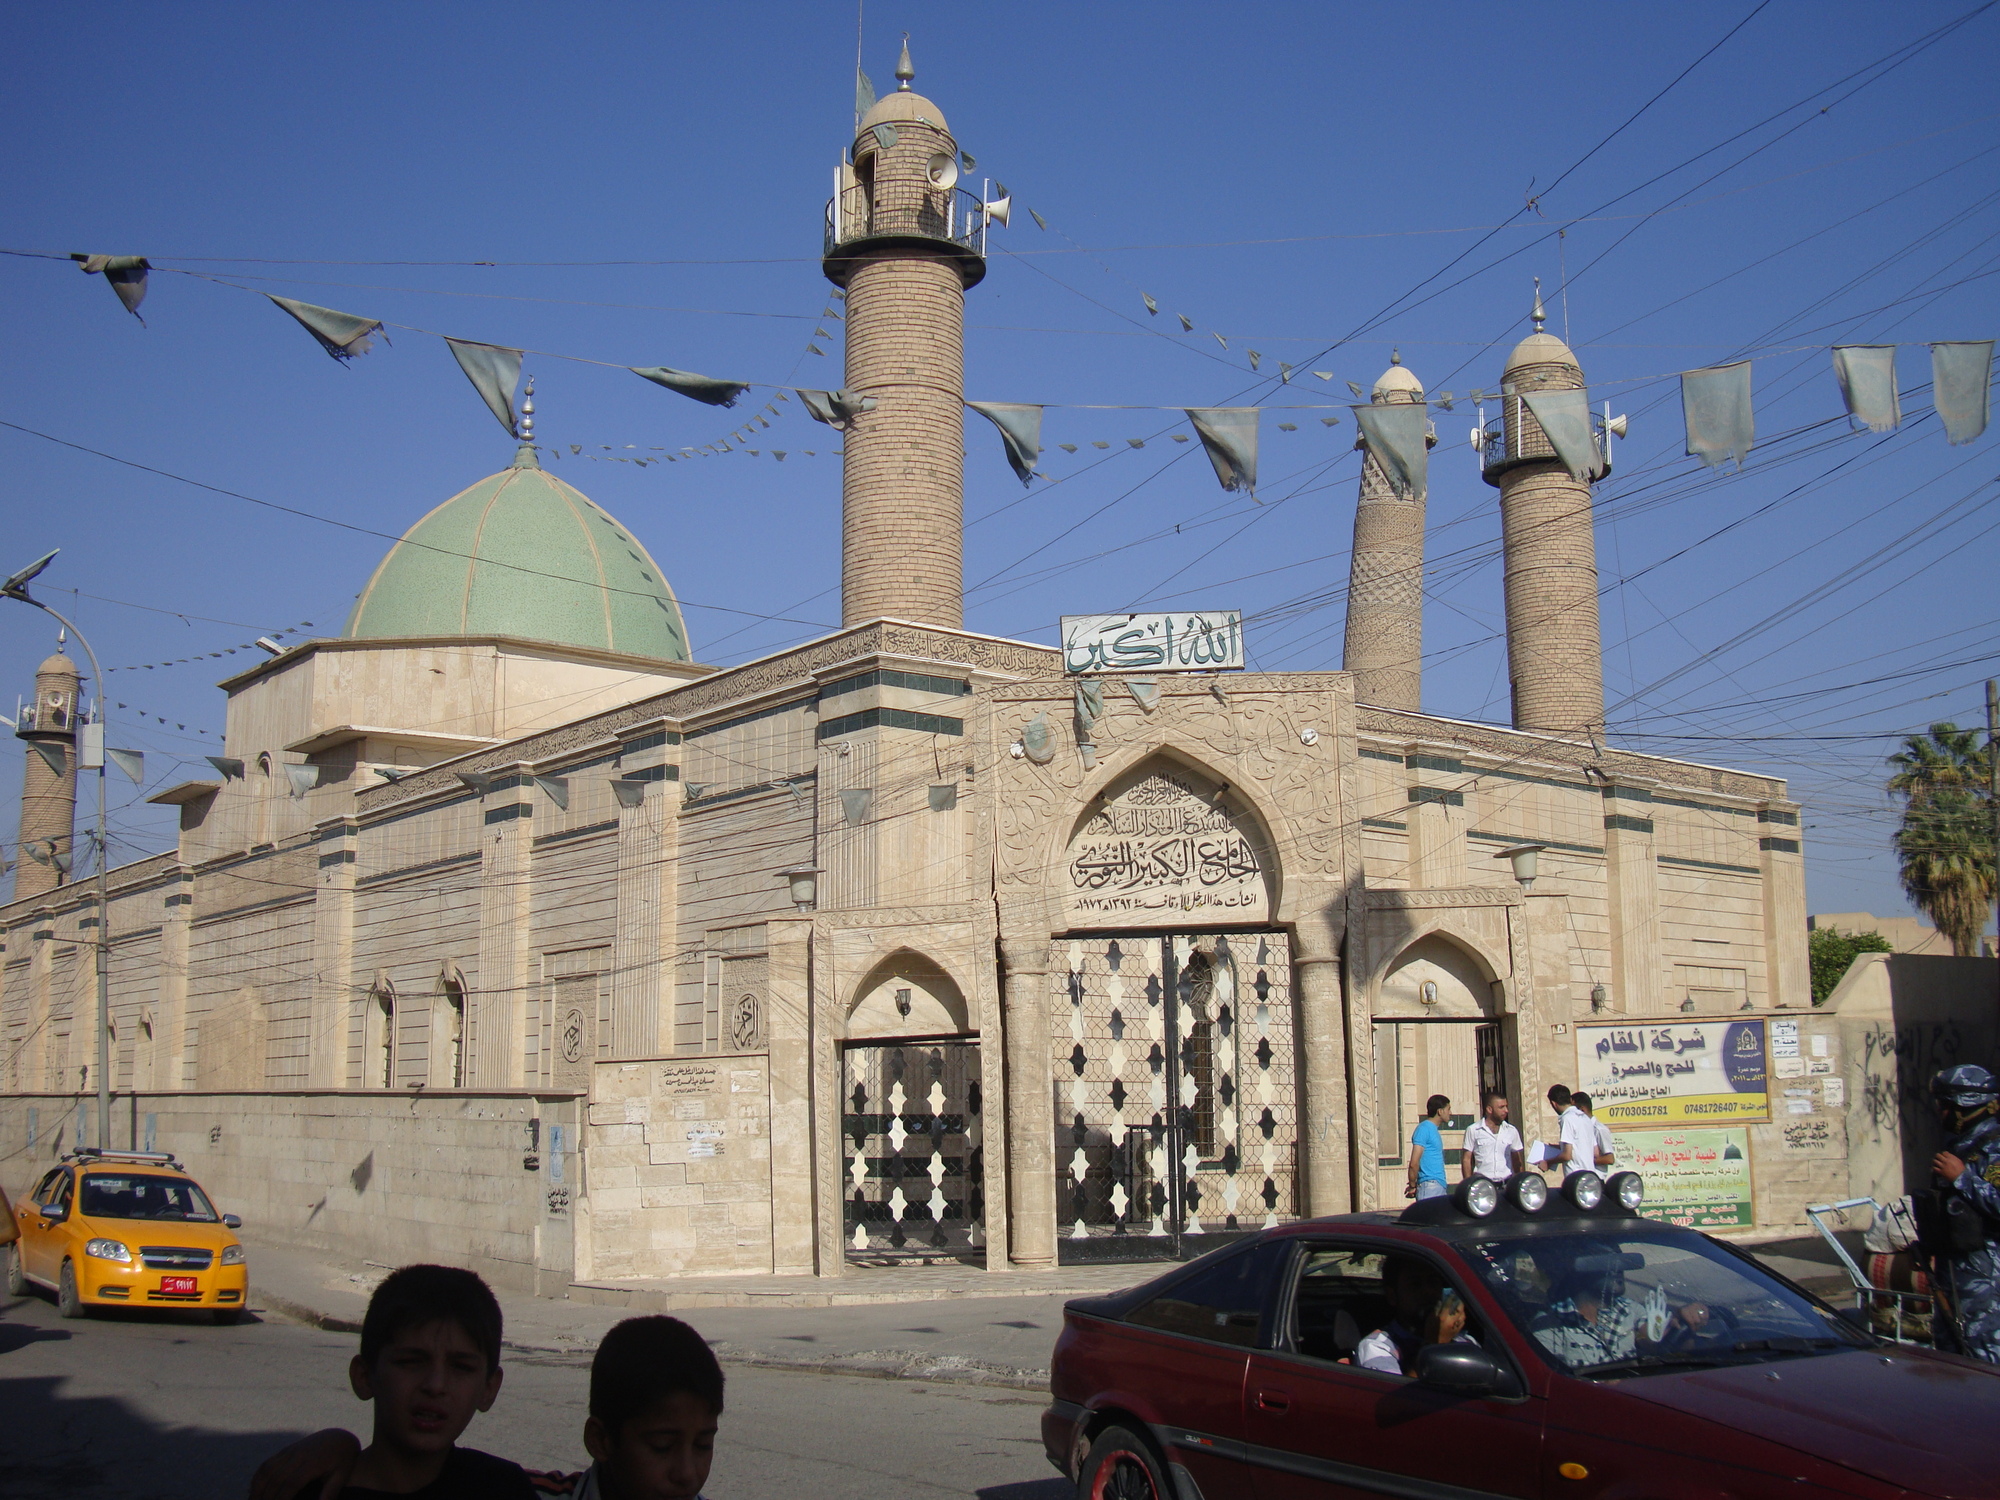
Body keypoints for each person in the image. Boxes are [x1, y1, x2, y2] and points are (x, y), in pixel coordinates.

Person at [251, 1310, 722, 1500]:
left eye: (702, 1446)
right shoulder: (516, 1495)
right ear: (600, 1440)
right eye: (662, 1446)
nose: (687, 1472)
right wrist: (341, 1446)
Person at [332, 1264, 534, 1498]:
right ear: (364, 1376)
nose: (436, 1385)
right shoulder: (306, 1486)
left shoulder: (503, 1488)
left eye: (461, 1367)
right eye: (410, 1362)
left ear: (489, 1388)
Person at [1918, 1063, 2000, 1365]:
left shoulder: (1994, 1148)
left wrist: (1962, 1178)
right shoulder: (1957, 1146)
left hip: (1986, 1277)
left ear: (1966, 1108)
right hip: (1953, 1272)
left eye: (1946, 1107)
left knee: (1983, 1357)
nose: (1941, 1114)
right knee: (1950, 1355)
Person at [1529, 1251, 1710, 1369]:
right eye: (1607, 1266)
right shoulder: (1549, 1323)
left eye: (1620, 1265)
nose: (1618, 1270)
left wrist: (1684, 1320)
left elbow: (1655, 1340)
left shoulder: (1630, 1310)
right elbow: (1551, 1384)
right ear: (1579, 1275)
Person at [1355, 1257, 1476, 1375]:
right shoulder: (1378, 1346)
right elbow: (1402, 1395)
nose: (1428, 1292)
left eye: (1433, 1282)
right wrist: (1434, 1344)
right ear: (1393, 1296)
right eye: (1415, 1285)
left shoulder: (1462, 1340)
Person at [1462, 1090, 1524, 1183]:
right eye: (1501, 1107)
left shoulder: (1511, 1130)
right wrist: (1468, 1184)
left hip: (1506, 1183)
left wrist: (1520, 1182)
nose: (1506, 1110)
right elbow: (1466, 1159)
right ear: (1489, 1109)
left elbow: (1517, 1159)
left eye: (1506, 1106)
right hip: (1482, 1183)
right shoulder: (1473, 1130)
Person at [1543, 1084, 1599, 1180]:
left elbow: (1567, 1155)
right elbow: (1595, 1152)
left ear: (1553, 1103)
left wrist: (1548, 1162)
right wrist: (1558, 1148)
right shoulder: (1585, 1118)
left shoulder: (1567, 1118)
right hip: (1591, 1176)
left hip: (1575, 1177)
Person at [1405, 1094, 1451, 1201]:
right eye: (1448, 1109)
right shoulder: (1423, 1129)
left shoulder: (1433, 1130)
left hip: (1438, 1185)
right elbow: (1414, 1163)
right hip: (1430, 1186)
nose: (1450, 1113)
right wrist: (1412, 1186)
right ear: (1440, 1111)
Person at [1572, 1093, 1617, 1172]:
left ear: (1582, 1110)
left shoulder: (1599, 1129)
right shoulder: (1580, 1128)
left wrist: (1586, 1161)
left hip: (1595, 1179)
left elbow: (1609, 1159)